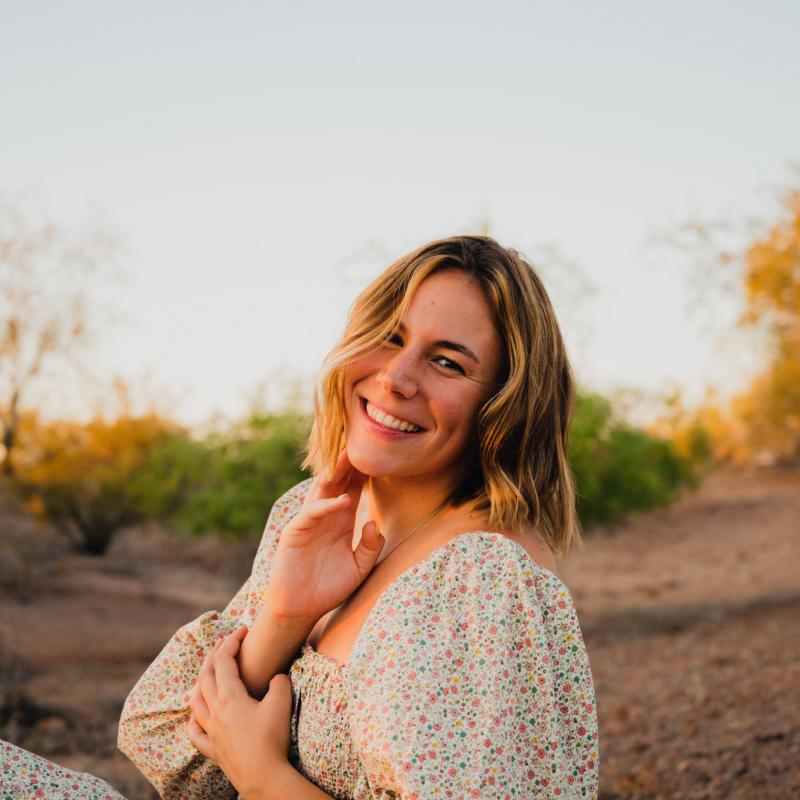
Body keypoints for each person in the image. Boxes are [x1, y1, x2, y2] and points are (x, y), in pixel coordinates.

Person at [0, 235, 599, 799]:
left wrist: (262, 777)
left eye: (446, 363)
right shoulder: (314, 509)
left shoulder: (483, 581)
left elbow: (235, 775)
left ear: (505, 406)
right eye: (389, 336)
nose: (395, 378)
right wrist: (285, 617)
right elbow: (177, 762)